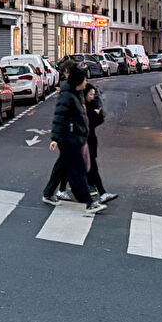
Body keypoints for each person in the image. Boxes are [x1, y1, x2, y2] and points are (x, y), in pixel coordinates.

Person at [42, 64, 105, 214]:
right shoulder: (68, 96)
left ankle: (48, 193)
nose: (86, 82)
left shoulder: (77, 93)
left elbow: (92, 98)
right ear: (78, 81)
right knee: (78, 171)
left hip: (75, 137)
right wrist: (55, 138)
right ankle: (89, 203)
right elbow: (59, 117)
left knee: (61, 167)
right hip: (68, 139)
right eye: (84, 80)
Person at [79, 83, 118, 205]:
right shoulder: (79, 105)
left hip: (89, 139)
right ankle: (93, 195)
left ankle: (99, 192)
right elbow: (82, 121)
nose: (92, 96)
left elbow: (96, 121)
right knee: (67, 167)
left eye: (93, 94)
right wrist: (94, 114)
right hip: (81, 140)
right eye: (90, 94)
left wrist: (97, 113)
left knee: (90, 166)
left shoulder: (92, 104)